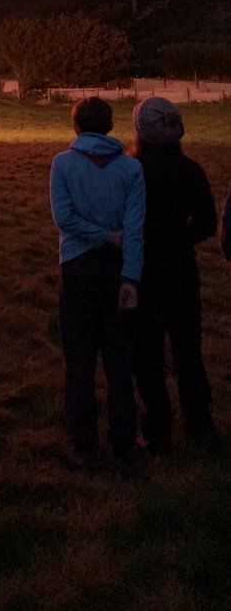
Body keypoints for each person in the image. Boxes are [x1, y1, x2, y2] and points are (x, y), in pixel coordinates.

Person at [50, 96, 145, 476]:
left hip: (76, 269)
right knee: (120, 364)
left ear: (76, 126)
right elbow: (134, 229)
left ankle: (81, 446)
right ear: (108, 125)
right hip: (118, 269)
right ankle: (123, 449)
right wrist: (131, 278)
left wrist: (98, 236)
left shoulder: (63, 164)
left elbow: (64, 217)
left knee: (79, 363)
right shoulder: (131, 168)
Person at [129, 97, 218, 452]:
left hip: (144, 273)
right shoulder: (191, 170)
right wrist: (180, 240)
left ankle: (157, 428)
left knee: (147, 354)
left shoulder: (133, 170)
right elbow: (208, 223)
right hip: (182, 271)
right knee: (188, 353)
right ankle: (200, 426)